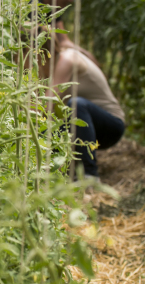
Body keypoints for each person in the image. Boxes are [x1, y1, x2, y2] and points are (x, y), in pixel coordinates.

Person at [39, 31, 125, 179]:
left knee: (76, 105)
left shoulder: (67, 59)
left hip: (110, 126)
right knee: (49, 125)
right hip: (83, 126)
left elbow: (45, 105)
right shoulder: (49, 68)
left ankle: (89, 175)